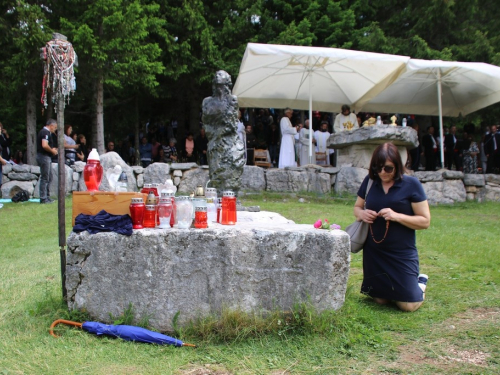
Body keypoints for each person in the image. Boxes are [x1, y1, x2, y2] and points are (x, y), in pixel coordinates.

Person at [353, 142, 431, 312]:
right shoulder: (370, 181)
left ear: (397, 166)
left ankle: (420, 283)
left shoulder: (411, 184)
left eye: (387, 168)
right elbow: (357, 208)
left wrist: (396, 216)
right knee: (380, 300)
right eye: (377, 168)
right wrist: (362, 214)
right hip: (374, 252)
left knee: (407, 305)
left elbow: (425, 221)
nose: (382, 173)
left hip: (400, 252)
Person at [37, 119, 58, 204]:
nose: (55, 129)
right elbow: (44, 145)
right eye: (55, 127)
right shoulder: (45, 132)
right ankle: (43, 198)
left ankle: (47, 196)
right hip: (43, 156)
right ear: (51, 125)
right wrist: (52, 151)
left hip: (46, 157)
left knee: (49, 177)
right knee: (45, 177)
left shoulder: (47, 133)